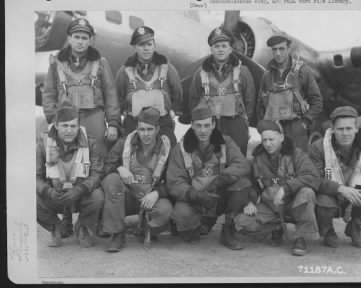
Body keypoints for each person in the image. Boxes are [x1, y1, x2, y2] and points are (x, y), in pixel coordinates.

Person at [42, 17, 120, 238]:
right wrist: (52, 120)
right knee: (64, 168)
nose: (80, 41)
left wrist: (113, 123)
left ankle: (96, 219)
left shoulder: (101, 63)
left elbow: (111, 94)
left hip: (94, 117)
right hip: (66, 122)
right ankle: (67, 218)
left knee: (97, 165)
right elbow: (48, 94)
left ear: (90, 40)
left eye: (84, 38)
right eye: (76, 37)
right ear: (69, 38)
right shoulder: (56, 63)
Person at [166, 104, 252, 250]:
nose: (203, 130)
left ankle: (228, 230)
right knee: (184, 222)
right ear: (192, 125)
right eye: (198, 126)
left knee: (241, 185)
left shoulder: (226, 142)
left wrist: (222, 179)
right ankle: (200, 223)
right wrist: (196, 195)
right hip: (195, 199)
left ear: (213, 124)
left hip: (218, 196)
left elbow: (242, 164)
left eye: (207, 125)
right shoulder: (180, 149)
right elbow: (174, 182)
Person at [234, 119, 320, 256]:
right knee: (241, 222)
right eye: (264, 140)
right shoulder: (257, 159)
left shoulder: (297, 154)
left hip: (294, 203)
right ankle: (276, 226)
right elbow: (253, 185)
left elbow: (312, 177)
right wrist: (250, 201)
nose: (268, 144)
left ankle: (301, 237)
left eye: (272, 139)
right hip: (271, 206)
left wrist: (285, 188)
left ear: (281, 137)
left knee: (307, 193)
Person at [101, 107, 173, 252]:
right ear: (137, 129)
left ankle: (144, 228)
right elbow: (105, 168)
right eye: (142, 129)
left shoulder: (167, 148)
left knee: (165, 210)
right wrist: (119, 169)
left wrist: (158, 193)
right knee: (112, 180)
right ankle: (117, 234)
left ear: (157, 129)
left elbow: (174, 180)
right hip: (127, 196)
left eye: (150, 129)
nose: (145, 134)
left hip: (149, 198)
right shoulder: (124, 143)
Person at [36, 100, 104, 248]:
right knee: (31, 197)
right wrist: (48, 192)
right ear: (56, 125)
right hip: (56, 194)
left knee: (98, 196)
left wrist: (80, 190)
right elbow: (36, 177)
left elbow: (97, 174)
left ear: (79, 126)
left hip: (80, 194)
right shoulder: (43, 144)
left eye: (73, 126)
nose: (69, 130)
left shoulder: (90, 143)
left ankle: (82, 226)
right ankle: (56, 228)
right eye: (64, 126)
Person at [189, 27, 255, 156]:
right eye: (216, 46)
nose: (220, 49)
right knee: (210, 164)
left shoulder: (244, 72)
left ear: (230, 49)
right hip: (209, 127)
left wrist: (243, 124)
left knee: (237, 164)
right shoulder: (200, 73)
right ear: (211, 49)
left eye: (224, 46)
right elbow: (193, 100)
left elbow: (250, 101)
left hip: (235, 125)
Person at [115, 25, 182, 146]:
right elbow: (118, 96)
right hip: (134, 121)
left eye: (149, 44)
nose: (146, 48)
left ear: (154, 46)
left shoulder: (168, 69)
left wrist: (170, 110)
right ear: (135, 47)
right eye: (141, 45)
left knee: (171, 148)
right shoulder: (124, 71)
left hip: (161, 121)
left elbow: (177, 93)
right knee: (126, 149)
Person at [309, 106, 361, 248]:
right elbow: (314, 179)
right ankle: (328, 231)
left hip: (358, 189)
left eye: (349, 128)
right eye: (340, 129)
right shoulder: (319, 147)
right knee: (323, 202)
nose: (345, 133)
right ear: (333, 128)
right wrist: (341, 189)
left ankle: (355, 226)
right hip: (332, 192)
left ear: (356, 128)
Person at [257, 33, 322, 152]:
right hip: (274, 127)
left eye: (281, 49)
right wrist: (264, 127)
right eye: (274, 49)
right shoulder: (267, 75)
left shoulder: (303, 71)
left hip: (296, 126)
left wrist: (305, 123)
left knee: (299, 162)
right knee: (276, 164)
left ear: (289, 49)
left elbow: (317, 100)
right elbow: (260, 104)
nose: (278, 53)